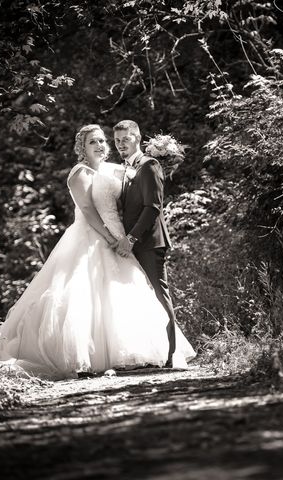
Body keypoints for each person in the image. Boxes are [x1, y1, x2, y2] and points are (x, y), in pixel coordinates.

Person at [0, 124, 195, 380]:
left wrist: (161, 162)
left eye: (103, 141)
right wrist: (110, 238)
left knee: (123, 293)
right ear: (82, 146)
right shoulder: (78, 174)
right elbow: (90, 212)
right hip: (93, 237)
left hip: (121, 238)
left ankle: (145, 353)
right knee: (85, 295)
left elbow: (141, 184)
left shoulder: (115, 169)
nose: (101, 145)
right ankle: (89, 356)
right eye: (94, 141)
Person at [112, 120, 179, 368]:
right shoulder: (124, 167)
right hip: (131, 244)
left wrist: (131, 238)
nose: (120, 144)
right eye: (117, 140)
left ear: (137, 138)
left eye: (125, 139)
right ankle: (151, 352)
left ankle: (173, 354)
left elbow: (153, 207)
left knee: (160, 295)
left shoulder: (149, 165)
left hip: (149, 242)